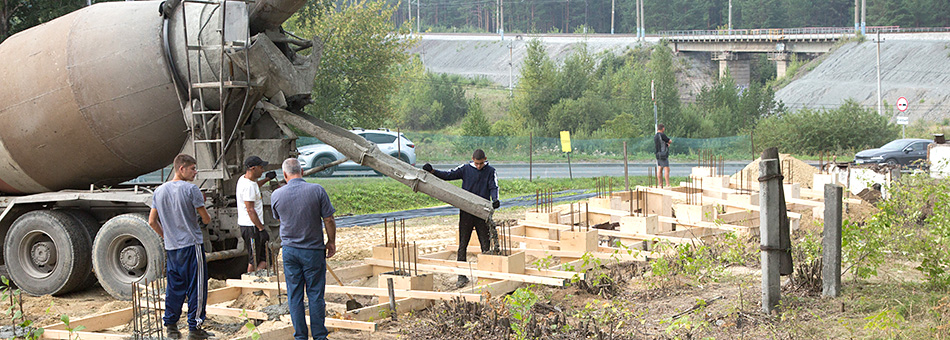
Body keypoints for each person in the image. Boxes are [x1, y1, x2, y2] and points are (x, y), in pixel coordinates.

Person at [148, 154, 213, 340]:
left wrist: (166, 236)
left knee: (174, 288)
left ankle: (171, 327)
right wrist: (202, 205)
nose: (195, 172)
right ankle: (195, 328)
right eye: (192, 168)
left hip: (172, 247)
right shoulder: (191, 189)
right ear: (181, 169)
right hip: (191, 246)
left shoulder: (159, 191)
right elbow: (206, 218)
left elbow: (152, 221)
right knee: (197, 288)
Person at [271, 158, 336, 340]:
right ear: (302, 170)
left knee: (294, 295)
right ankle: (319, 336)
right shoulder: (317, 190)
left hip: (290, 250)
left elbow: (280, 219)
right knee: (315, 294)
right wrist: (331, 242)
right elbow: (329, 219)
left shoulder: (276, 195)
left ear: (285, 175)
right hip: (313, 250)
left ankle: (300, 336)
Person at [423, 149, 500, 288]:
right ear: (472, 159)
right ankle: (461, 275)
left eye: (481, 163)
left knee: (485, 244)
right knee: (462, 244)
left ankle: (487, 273)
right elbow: (448, 175)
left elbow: (494, 187)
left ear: (485, 159)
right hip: (466, 212)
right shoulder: (465, 169)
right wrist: (432, 171)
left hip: (481, 213)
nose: (478, 166)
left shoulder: (490, 171)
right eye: (476, 163)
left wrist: (495, 200)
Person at [237, 155, 277, 273]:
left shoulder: (245, 180)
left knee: (266, 257)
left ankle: (255, 278)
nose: (263, 170)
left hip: (252, 226)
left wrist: (266, 179)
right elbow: (250, 210)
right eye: (261, 167)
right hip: (251, 227)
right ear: (253, 168)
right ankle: (250, 280)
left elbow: (254, 188)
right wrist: (261, 229)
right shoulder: (248, 185)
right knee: (254, 258)